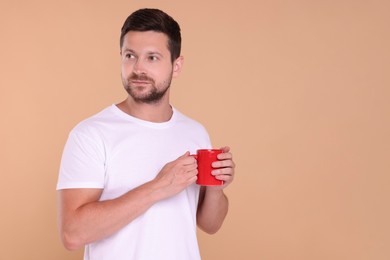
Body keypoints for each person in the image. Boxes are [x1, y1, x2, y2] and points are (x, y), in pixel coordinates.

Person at [57, 8, 235, 260]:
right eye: (130, 55)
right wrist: (158, 187)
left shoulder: (195, 132)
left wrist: (217, 185)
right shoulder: (90, 134)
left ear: (176, 65)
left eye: (152, 58)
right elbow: (72, 234)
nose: (138, 68)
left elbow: (210, 224)